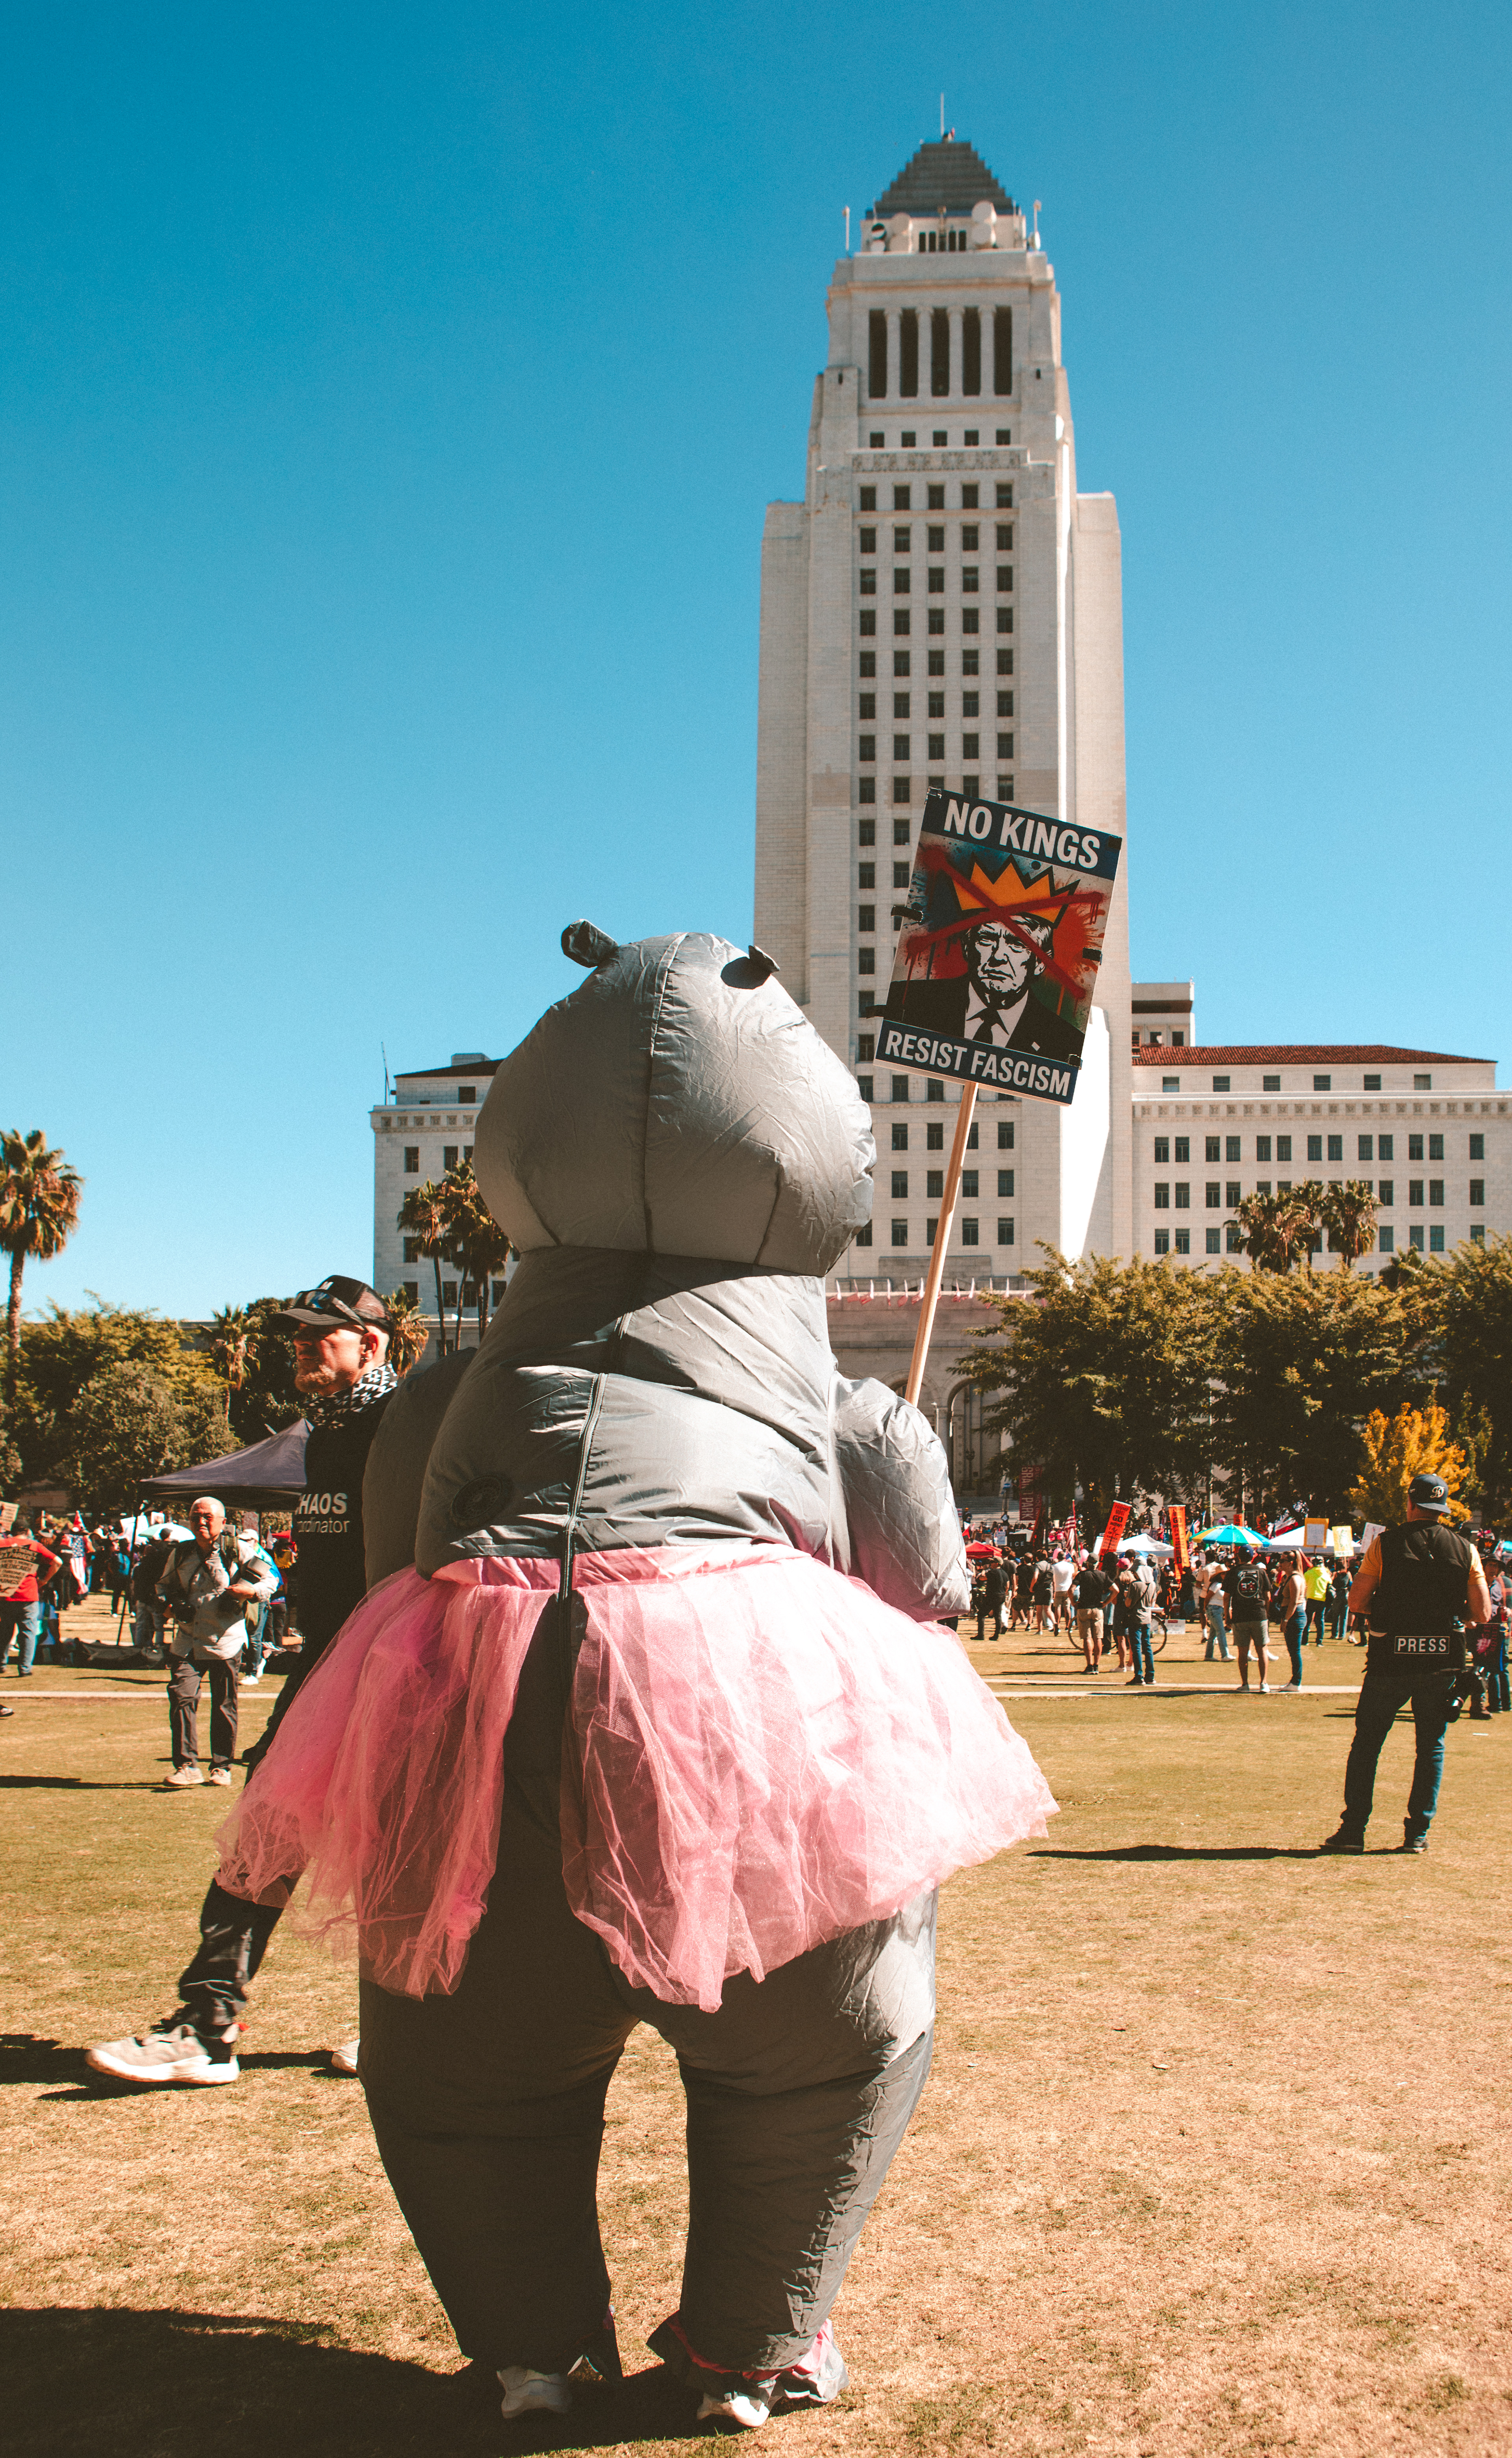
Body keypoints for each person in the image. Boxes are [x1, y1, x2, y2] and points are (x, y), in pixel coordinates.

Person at [203, 926, 1057, 2430]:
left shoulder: (452, 1392)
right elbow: (930, 1586)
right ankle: (754, 2337)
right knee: (823, 2049)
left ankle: (535, 2338)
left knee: (468, 2074)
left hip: (482, 1701)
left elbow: (398, 1548)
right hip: (746, 1731)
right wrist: (899, 1456)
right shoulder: (837, 1403)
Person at [87, 1276, 400, 2085]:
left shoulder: (408, 1425)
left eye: (317, 1333)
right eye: (294, 1333)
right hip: (325, 1670)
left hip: (408, 1673)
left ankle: (414, 2031)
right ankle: (209, 2022)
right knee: (265, 1833)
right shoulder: (324, 1435)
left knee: (413, 1852)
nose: (298, 1344)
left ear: (372, 1344)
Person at [1320, 1474, 1492, 1854]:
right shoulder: (1466, 1548)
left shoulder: (1386, 1543)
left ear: (1410, 1503)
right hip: (1443, 1661)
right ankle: (1417, 1833)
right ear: (1443, 1508)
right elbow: (1482, 1611)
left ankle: (1353, 1830)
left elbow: (1357, 1602)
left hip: (1390, 1660)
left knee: (1367, 1745)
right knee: (1430, 1747)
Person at [159, 1499, 278, 1789]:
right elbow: (162, 1586)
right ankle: (187, 1766)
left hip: (227, 1639)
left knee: (225, 1705)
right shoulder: (181, 1553)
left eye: (207, 1517)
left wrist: (251, 1590)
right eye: (195, 1516)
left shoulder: (237, 1549)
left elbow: (272, 1580)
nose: (201, 1522)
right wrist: (169, 1605)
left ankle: (221, 1766)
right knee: (181, 1696)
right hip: (188, 1639)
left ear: (222, 1521)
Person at [900, 910, 1082, 1062]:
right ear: (967, 948)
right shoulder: (907, 1002)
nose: (998, 957)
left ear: (1041, 962)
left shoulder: (1064, 1041)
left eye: (1017, 944)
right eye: (987, 939)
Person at [0, 1519, 61, 1679]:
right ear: (27, 1531)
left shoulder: (3, 1543)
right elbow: (57, 1562)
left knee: (5, 1631)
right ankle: (25, 1668)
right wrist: (44, 1580)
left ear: (12, 1531)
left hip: (5, 1594)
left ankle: (1, 1664)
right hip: (29, 1595)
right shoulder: (34, 1545)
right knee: (28, 1633)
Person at [1224, 1543, 1271, 1692]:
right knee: (1262, 1649)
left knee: (1243, 1652)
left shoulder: (1233, 1572)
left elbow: (1226, 1598)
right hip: (1259, 1614)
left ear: (1238, 1557)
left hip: (1240, 1615)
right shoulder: (1261, 1571)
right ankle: (1264, 1683)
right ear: (1253, 1556)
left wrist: (1227, 1616)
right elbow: (1268, 1596)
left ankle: (1245, 1684)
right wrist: (1267, 1613)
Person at [1117, 1555, 1158, 1686]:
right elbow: (1152, 1602)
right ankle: (1150, 1676)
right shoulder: (1152, 1584)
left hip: (1135, 1618)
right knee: (1148, 1647)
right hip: (1147, 1617)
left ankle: (1139, 1676)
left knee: (1137, 1647)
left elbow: (1128, 1604)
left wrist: (1126, 1597)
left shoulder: (1135, 1585)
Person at [1072, 1552, 1110, 1673]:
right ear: (1098, 1564)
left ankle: (1089, 1666)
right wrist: (1105, 1603)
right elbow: (1116, 1590)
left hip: (1084, 1607)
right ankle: (1097, 1665)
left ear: (1088, 1564)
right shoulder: (1103, 1575)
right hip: (1098, 1608)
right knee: (1098, 1638)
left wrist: (1074, 1603)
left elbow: (1071, 1590)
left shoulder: (1082, 1575)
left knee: (1087, 1638)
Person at [1274, 1553, 1306, 1691]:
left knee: (1295, 1651)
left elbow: (1293, 1602)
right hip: (1292, 1615)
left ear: (1291, 1562)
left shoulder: (1295, 1579)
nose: (1280, 1563)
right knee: (1293, 1651)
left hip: (1295, 1616)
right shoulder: (1289, 1578)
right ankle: (1294, 1681)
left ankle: (1296, 1682)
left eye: (1283, 1561)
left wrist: (1286, 1620)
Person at [1193, 1552, 1230, 1663]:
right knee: (1219, 1631)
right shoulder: (1218, 1582)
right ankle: (1225, 1654)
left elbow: (1198, 1584)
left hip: (1209, 1599)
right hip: (1213, 1604)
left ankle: (1208, 1652)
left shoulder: (1204, 1569)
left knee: (1212, 1631)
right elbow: (1209, 1596)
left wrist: (1205, 1588)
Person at [976, 1550, 1006, 1643]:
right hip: (1001, 1595)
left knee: (981, 1614)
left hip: (992, 1596)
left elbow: (982, 1578)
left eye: (992, 1562)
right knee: (998, 1616)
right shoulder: (1004, 1573)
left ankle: (981, 1634)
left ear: (997, 1564)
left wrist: (983, 1571)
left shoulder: (993, 1572)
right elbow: (1008, 1585)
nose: (991, 1563)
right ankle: (996, 1635)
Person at [1303, 1556, 1330, 1648]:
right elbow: (1330, 1583)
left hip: (1311, 1598)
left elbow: (1304, 1583)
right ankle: (1319, 1641)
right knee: (1320, 1622)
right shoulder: (1326, 1574)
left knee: (1308, 1621)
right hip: (1322, 1599)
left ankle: (1305, 1640)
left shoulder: (1309, 1573)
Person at [1050, 1547, 1076, 1633]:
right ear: (1065, 1557)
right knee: (1067, 1607)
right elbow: (1073, 1575)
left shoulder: (1054, 1567)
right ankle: (1068, 1626)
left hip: (1057, 1589)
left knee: (1058, 1607)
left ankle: (1057, 1624)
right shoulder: (1070, 1566)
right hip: (1067, 1588)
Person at [1328, 1559, 1353, 1644]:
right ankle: (1342, 1635)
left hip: (1338, 1595)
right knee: (1344, 1616)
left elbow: (1330, 1582)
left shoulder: (1336, 1574)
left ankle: (1334, 1634)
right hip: (1346, 1595)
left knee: (1336, 1615)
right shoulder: (1348, 1574)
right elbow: (1351, 1584)